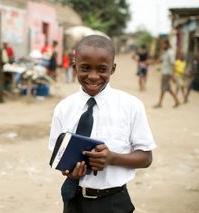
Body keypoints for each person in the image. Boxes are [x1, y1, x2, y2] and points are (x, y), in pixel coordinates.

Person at [48, 35, 156, 213]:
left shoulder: (131, 106)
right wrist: (69, 171)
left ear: (112, 69)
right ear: (74, 66)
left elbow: (146, 158)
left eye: (102, 69)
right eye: (85, 68)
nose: (92, 76)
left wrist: (112, 158)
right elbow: (58, 156)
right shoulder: (63, 108)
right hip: (74, 201)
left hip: (113, 202)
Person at [154, 40, 180, 108]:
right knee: (168, 88)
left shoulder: (170, 53)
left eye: (163, 44)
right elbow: (160, 61)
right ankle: (177, 101)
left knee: (163, 88)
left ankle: (159, 103)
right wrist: (151, 63)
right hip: (165, 73)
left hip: (167, 74)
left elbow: (173, 64)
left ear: (167, 45)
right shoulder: (165, 53)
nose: (162, 46)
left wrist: (173, 75)